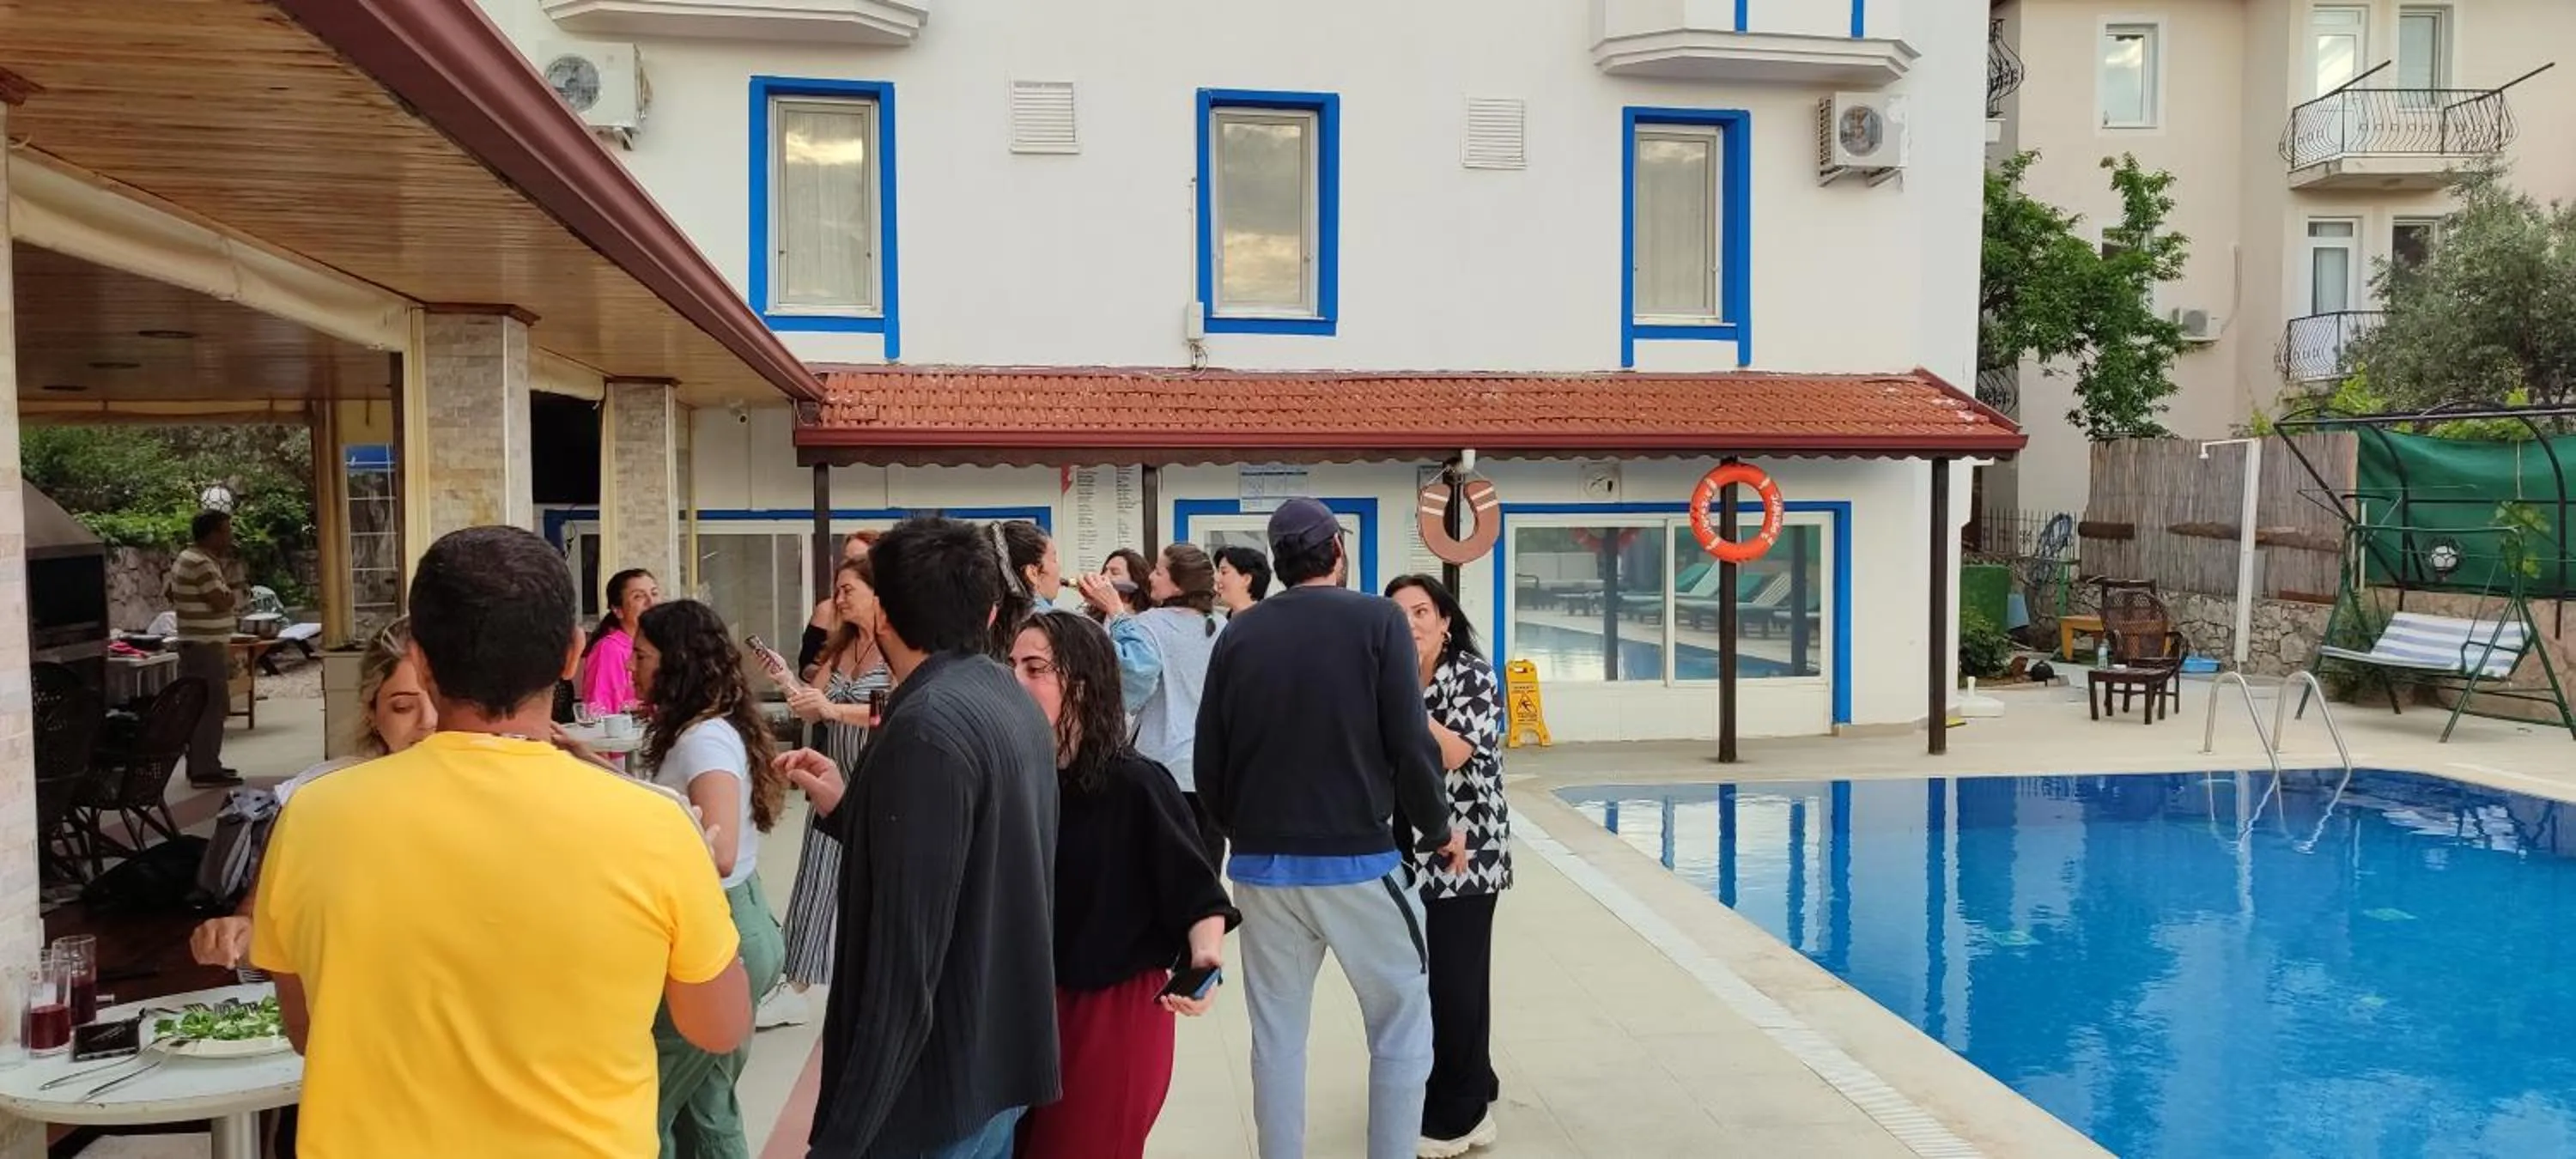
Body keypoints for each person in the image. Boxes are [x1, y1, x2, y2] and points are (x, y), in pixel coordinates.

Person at [249, 525, 750, 1156]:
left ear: (422, 659)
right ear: (571, 655)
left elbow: (306, 1031)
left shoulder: (314, 815)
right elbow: (720, 1027)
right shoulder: (654, 825)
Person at [774, 516, 1060, 1157]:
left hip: (934, 1089)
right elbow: (970, 852)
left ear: (884, 616)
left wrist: (843, 1137)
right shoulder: (1006, 698)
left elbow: (906, 965)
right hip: (998, 1053)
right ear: (990, 611)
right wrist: (852, 810)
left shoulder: (927, 727)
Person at [1194, 498, 1465, 1159]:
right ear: (1338, 553)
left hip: (1262, 870)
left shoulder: (1239, 634)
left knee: (1277, 1037)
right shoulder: (1378, 621)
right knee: (1401, 1021)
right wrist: (1437, 827)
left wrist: (1248, 834)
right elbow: (1408, 742)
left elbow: (1209, 761)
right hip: (1357, 865)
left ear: (1280, 565)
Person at [1007, 614, 1238, 1159]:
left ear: (1081, 687)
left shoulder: (1134, 784)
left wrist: (1204, 959)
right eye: (1010, 665)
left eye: (1034, 668)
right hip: (1027, 1005)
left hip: (1110, 1013)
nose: (1014, 680)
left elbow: (1197, 891)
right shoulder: (1019, 778)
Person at [634, 599, 790, 1157]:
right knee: (706, 1108)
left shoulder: (703, 740)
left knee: (647, 1108)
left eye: (642, 654)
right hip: (740, 927)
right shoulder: (709, 729)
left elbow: (717, 851)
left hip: (720, 934)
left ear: (676, 661)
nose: (633, 666)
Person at [1384, 576, 1511, 1158]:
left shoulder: (1472, 676)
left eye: (1421, 611)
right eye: (1399, 613)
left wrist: (1403, 702)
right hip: (1411, 842)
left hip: (1469, 846)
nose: (1410, 622)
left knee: (1456, 980)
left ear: (1445, 621)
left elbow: (1455, 751)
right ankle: (1472, 1076)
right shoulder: (1389, 673)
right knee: (1437, 976)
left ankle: (1463, 1115)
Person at [762, 556, 892, 1029]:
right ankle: (796, 981)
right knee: (816, 876)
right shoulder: (841, 648)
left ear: (877, 594)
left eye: (847, 590)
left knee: (879, 889)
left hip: (875, 778)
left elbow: (893, 709)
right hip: (832, 777)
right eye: (838, 590)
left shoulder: (895, 647)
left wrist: (836, 709)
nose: (838, 600)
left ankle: (873, 982)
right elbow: (814, 709)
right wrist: (786, 681)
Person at [1080, 543, 1226, 868]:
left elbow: (1129, 687)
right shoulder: (1222, 628)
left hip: (1161, 765)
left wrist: (1115, 615)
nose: (1151, 576)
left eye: (1159, 570)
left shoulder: (1148, 625)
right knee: (1206, 873)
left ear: (1178, 583)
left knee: (1160, 871)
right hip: (1212, 771)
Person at [166, 509, 241, 786]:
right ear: (210, 534)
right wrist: (231, 595)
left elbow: (168, 592)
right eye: (224, 531)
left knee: (203, 705)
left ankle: (203, 763)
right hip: (204, 647)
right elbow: (220, 600)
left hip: (197, 644)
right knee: (211, 705)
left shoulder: (187, 559)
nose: (228, 537)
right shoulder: (201, 563)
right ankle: (205, 769)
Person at [580, 567, 659, 713]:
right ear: (618, 610)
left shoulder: (661, 645)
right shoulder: (609, 649)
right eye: (638, 597)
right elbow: (598, 712)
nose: (651, 602)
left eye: (654, 593)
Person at [799, 531, 879, 677]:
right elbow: (807, 668)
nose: (851, 567)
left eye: (861, 560)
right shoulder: (842, 644)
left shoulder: (895, 640)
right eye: (847, 560)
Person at [993, 519, 1063, 652]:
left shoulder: (983, 620)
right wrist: (1114, 611)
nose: (1059, 568)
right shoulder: (1056, 624)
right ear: (1032, 573)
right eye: (1054, 559)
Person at [1092, 549, 1155, 620]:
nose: (1104, 576)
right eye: (1105, 571)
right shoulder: (1097, 613)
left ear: (1135, 579)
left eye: (1115, 573)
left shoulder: (1148, 618)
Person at [1215, 546, 1273, 616]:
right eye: (1218, 572)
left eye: (1224, 572)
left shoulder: (1268, 621)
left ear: (1246, 579)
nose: (1217, 579)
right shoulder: (1219, 622)